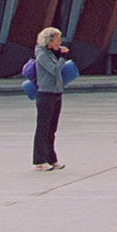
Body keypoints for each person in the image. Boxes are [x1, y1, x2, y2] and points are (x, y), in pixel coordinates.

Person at [32, 27, 70, 171]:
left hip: (56, 93)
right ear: (50, 41)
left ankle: (52, 159)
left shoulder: (50, 53)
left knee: (51, 129)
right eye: (57, 39)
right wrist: (62, 57)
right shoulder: (42, 55)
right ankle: (39, 161)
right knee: (42, 128)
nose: (60, 42)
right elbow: (54, 70)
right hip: (46, 94)